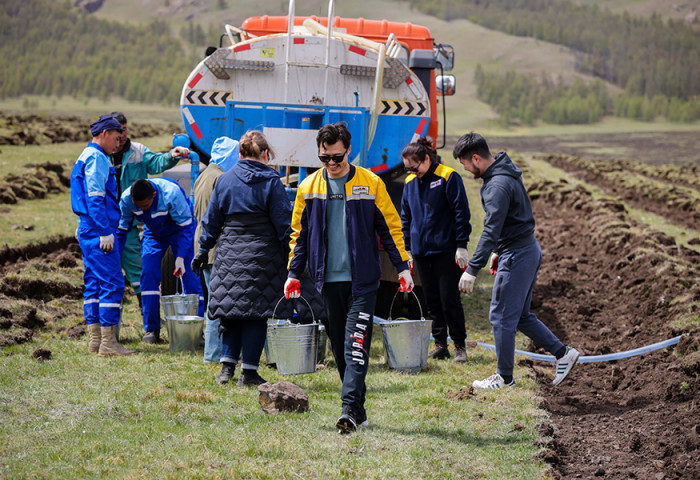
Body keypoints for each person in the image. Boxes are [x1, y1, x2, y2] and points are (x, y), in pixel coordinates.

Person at [285, 122, 413, 434]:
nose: (331, 164)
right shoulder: (308, 188)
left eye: (337, 158)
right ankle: (358, 408)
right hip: (326, 282)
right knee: (341, 347)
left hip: (362, 281)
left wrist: (403, 267)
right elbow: (299, 236)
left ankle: (347, 412)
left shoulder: (371, 184)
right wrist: (292, 273)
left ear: (349, 151)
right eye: (324, 158)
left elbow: (390, 228)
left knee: (356, 344)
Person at [452, 132, 579, 389]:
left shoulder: (497, 185)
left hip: (518, 255)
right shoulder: (503, 173)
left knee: (500, 316)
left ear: (476, 158)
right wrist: (499, 250)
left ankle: (504, 377)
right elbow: (511, 218)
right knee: (519, 316)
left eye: (464, 163)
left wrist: (472, 269)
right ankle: (563, 353)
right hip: (525, 249)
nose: (465, 168)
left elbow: (490, 229)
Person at [191, 130, 290, 386]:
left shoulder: (225, 180)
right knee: (256, 313)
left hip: (229, 253)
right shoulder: (271, 181)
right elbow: (283, 224)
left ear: (240, 154)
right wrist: (294, 254)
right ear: (265, 154)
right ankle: (248, 372)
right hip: (261, 255)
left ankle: (226, 369)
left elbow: (210, 220)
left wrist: (203, 250)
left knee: (231, 311)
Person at [400, 137, 472, 363]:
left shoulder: (448, 177)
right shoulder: (410, 183)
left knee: (449, 298)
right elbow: (406, 217)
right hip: (422, 252)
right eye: (408, 169)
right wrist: (408, 249)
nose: (412, 172)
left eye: (415, 167)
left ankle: (459, 345)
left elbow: (461, 213)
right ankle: (440, 343)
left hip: (446, 251)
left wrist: (461, 245)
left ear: (426, 159)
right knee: (431, 300)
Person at [110, 112, 190, 311]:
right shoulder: (101, 153)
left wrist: (173, 155)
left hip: (131, 218)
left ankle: (146, 313)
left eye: (124, 129)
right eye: (117, 130)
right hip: (108, 218)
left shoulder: (137, 151)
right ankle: (108, 321)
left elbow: (156, 162)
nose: (121, 135)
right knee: (107, 266)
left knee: (138, 268)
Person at [70, 115, 135, 356]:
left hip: (89, 227)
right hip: (100, 229)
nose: (118, 144)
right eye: (117, 139)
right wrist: (106, 231)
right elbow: (95, 198)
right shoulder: (98, 158)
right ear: (105, 133)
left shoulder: (85, 155)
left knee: (94, 282)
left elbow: (81, 195)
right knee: (112, 281)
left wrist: (82, 224)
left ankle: (95, 340)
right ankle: (108, 342)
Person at [117, 178, 204, 343]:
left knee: (190, 276)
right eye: (138, 207)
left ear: (154, 195)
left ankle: (195, 331)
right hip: (153, 232)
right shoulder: (126, 199)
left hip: (179, 230)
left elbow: (186, 228)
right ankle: (152, 329)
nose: (142, 209)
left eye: (145, 206)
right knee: (148, 274)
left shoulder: (172, 194)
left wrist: (180, 258)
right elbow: (122, 231)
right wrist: (116, 259)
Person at [192, 136, 240, 364]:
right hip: (217, 248)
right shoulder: (221, 178)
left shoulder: (203, 176)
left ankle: (216, 353)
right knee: (220, 303)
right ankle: (214, 354)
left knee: (214, 300)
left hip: (203, 246)